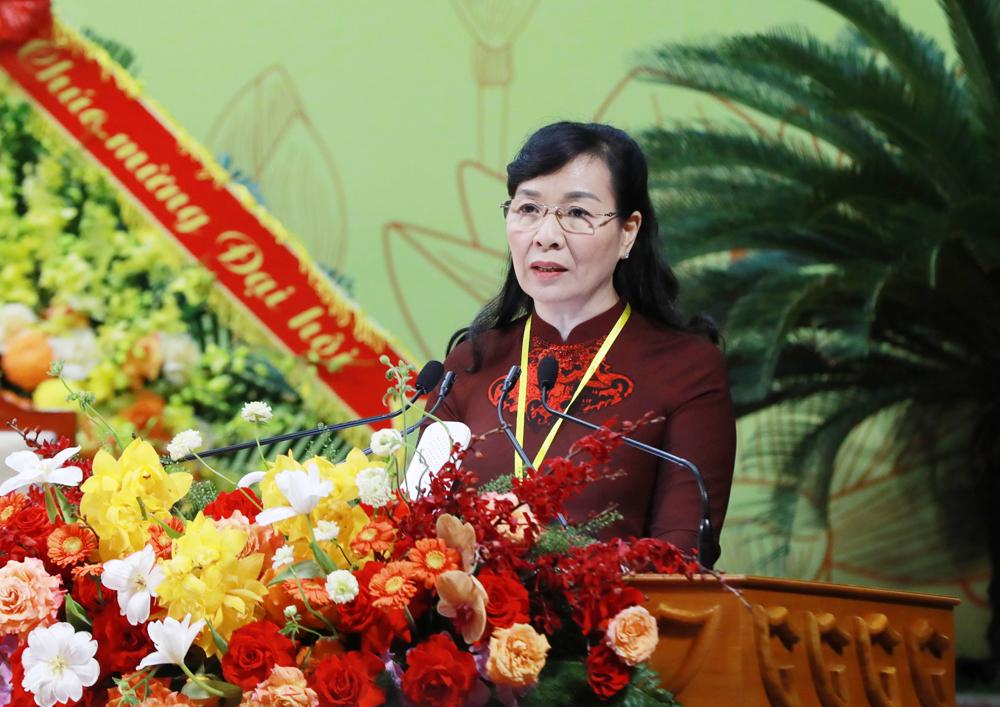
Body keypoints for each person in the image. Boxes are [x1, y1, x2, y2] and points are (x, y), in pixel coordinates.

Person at [426, 121, 736, 556]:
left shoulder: (685, 368)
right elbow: (419, 535)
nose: (546, 236)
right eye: (528, 209)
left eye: (577, 214)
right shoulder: (470, 364)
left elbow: (682, 554)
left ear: (628, 232)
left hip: (622, 601)